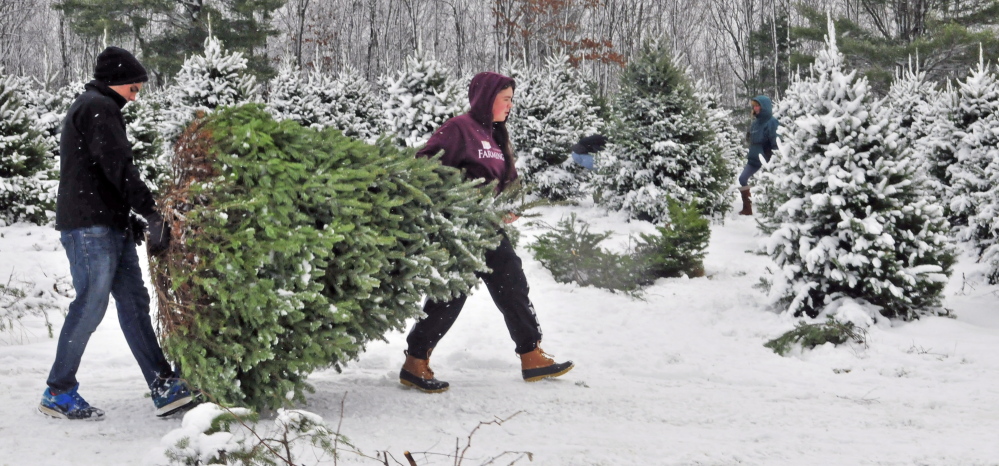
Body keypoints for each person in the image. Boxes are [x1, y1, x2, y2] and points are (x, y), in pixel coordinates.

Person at [39, 46, 195, 420]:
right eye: (134, 88)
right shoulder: (98, 106)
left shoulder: (99, 106)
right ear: (117, 82)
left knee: (133, 302)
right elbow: (118, 166)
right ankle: (58, 391)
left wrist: (129, 217)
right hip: (89, 227)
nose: (135, 96)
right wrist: (152, 212)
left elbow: (100, 172)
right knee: (91, 304)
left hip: (108, 223)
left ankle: (162, 383)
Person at [399, 71, 574, 393]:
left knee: (512, 283)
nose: (510, 105)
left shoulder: (495, 136)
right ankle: (415, 361)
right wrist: (457, 198)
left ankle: (531, 354)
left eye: (511, 99)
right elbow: (424, 164)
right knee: (452, 294)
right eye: (505, 99)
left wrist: (507, 204)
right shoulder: (459, 128)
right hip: (460, 227)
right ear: (486, 98)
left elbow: (506, 181)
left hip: (488, 227)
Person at [738, 95, 779, 216]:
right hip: (753, 159)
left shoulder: (772, 122)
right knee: (742, 179)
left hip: (767, 159)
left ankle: (774, 211)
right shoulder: (755, 123)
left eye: (757, 106)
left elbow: (776, 141)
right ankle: (747, 208)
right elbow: (751, 139)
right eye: (754, 106)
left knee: (772, 185)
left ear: (764, 107)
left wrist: (775, 159)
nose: (755, 108)